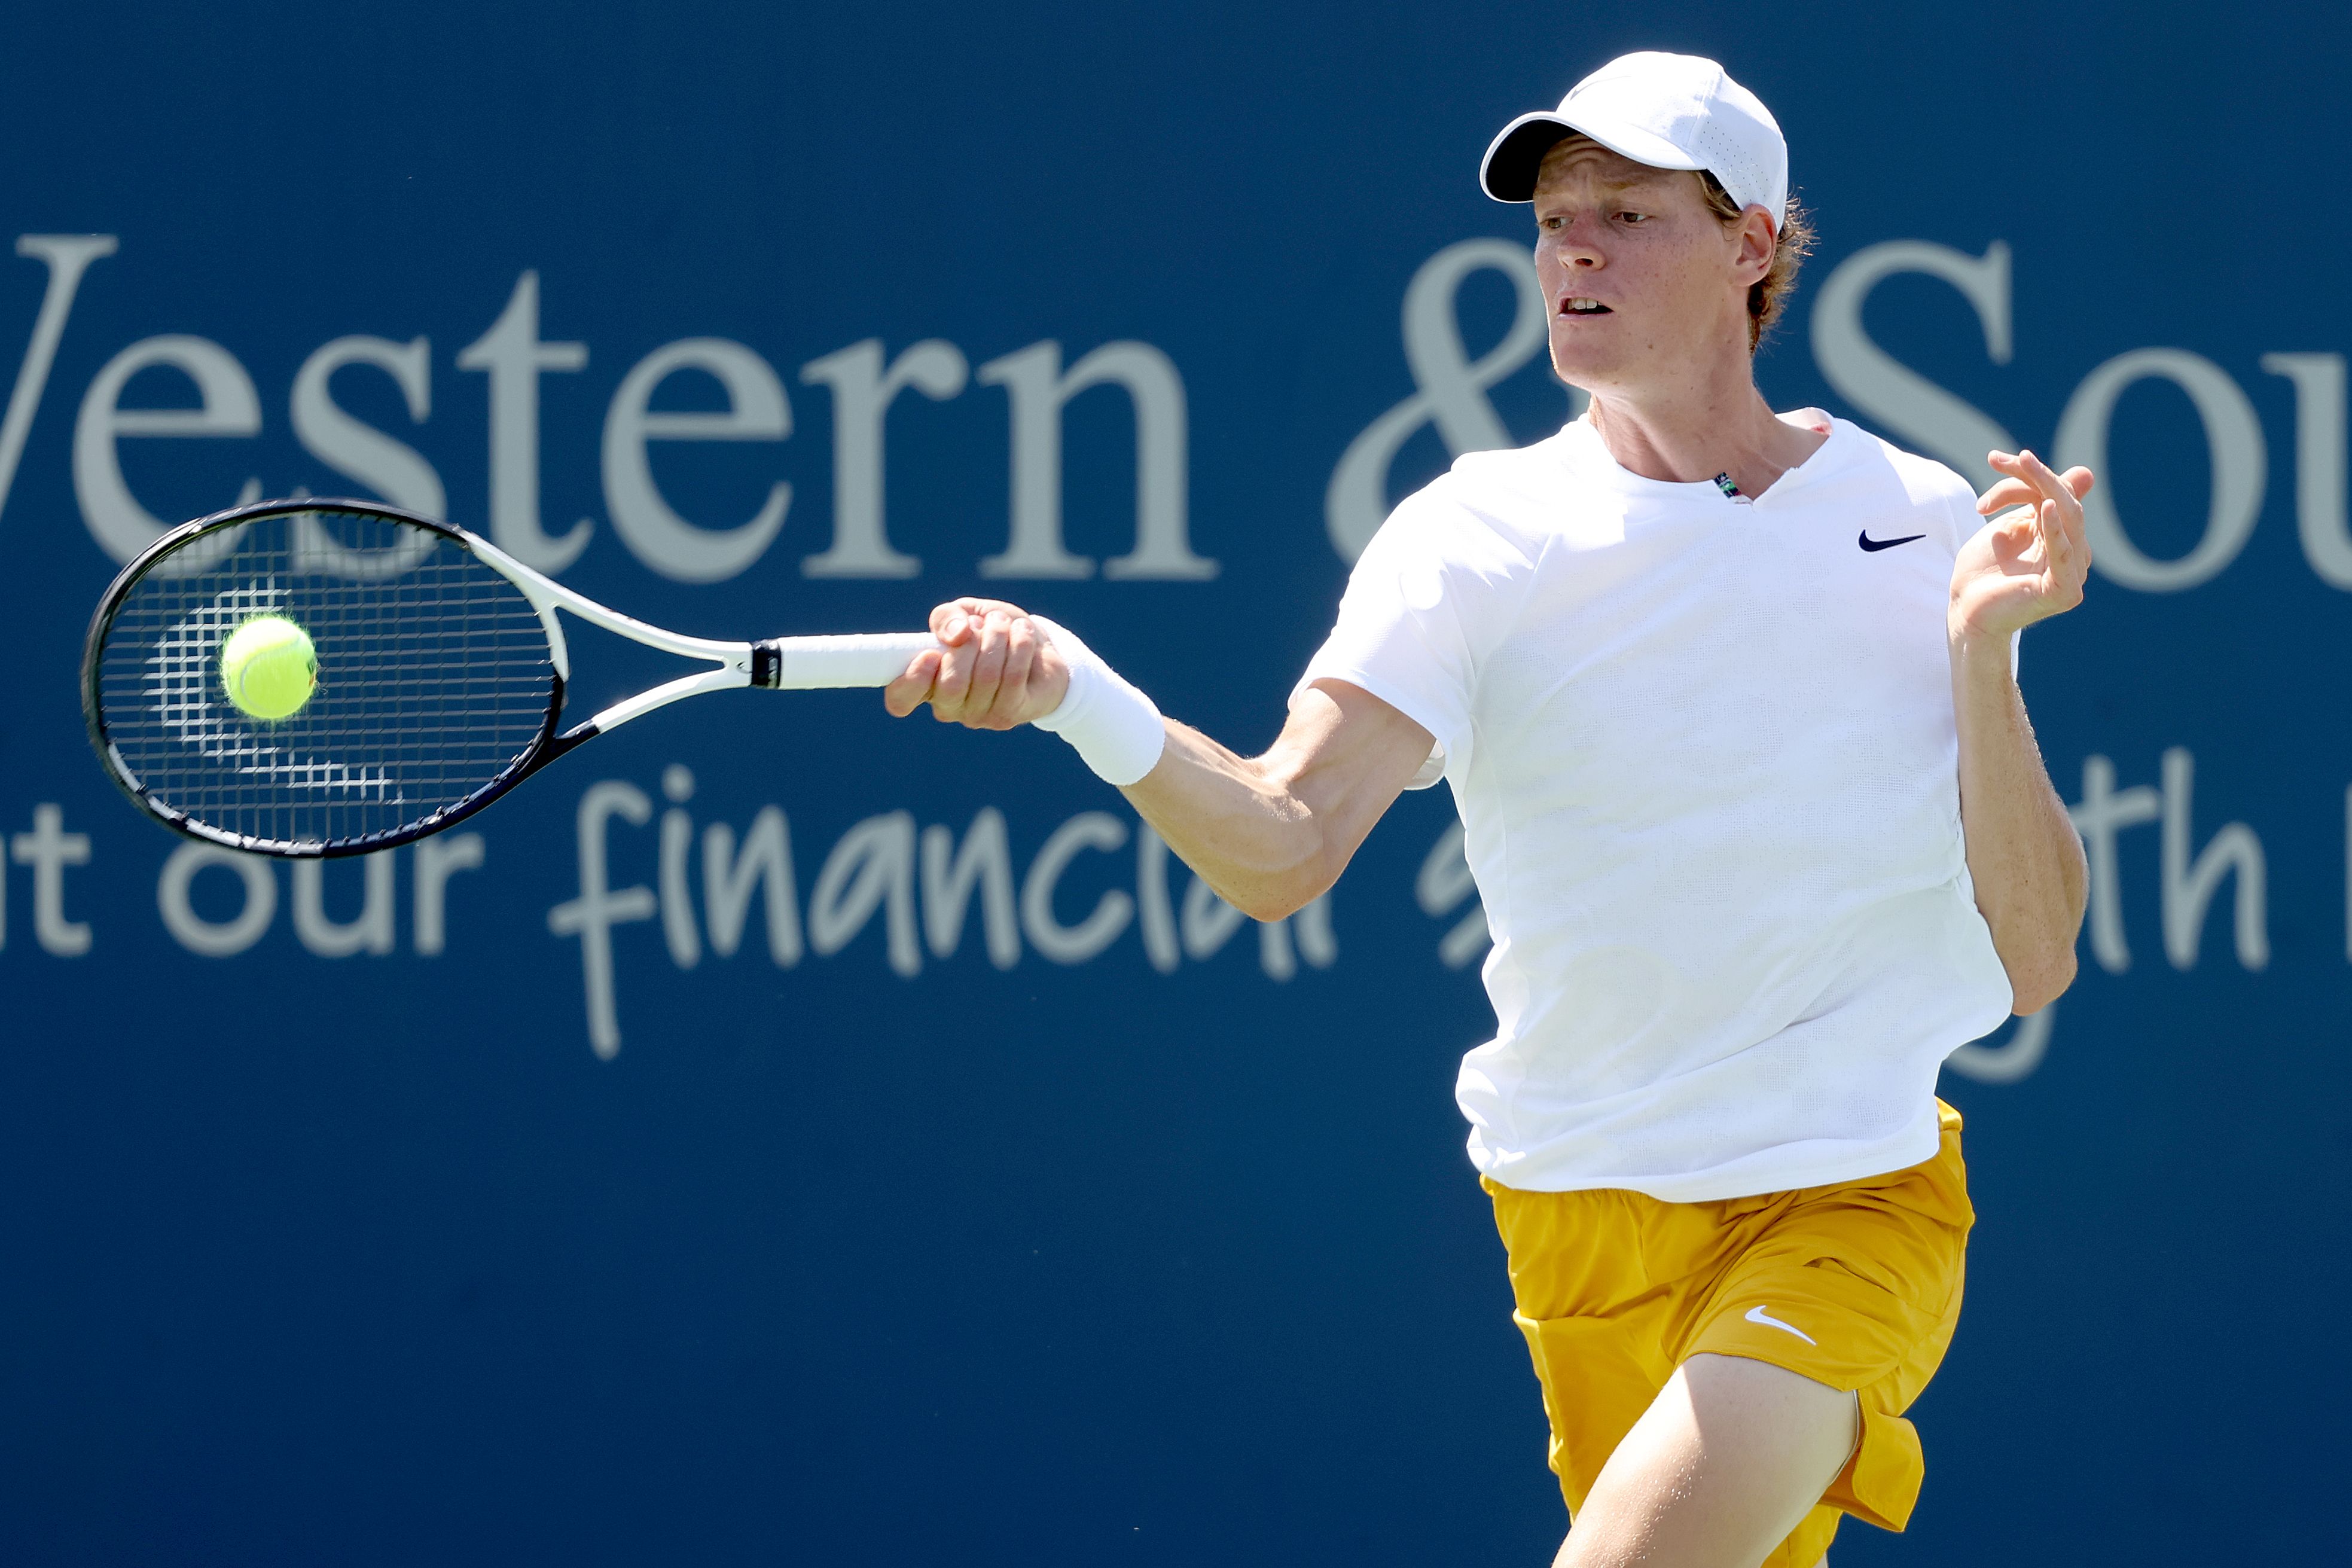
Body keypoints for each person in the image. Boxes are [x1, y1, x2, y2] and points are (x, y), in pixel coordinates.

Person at [882, 50, 2091, 1568]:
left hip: (1850, 1202)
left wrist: (1980, 653)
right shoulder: (1468, 541)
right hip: (1571, 1217)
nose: (1573, 250)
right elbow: (1283, 844)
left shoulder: (1915, 520)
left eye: (1626, 216)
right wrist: (1074, 692)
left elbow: (2034, 955)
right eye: (1553, 219)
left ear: (1750, 246)